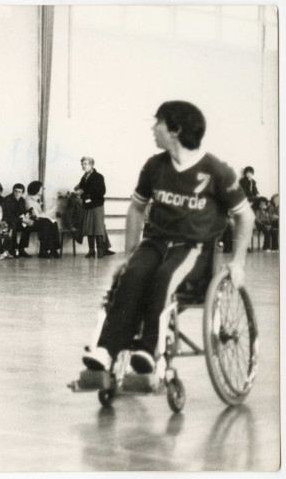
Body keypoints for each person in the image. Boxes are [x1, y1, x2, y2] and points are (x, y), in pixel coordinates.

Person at [82, 101, 254, 374]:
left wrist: (239, 262)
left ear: (175, 130)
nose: (153, 129)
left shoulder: (216, 171)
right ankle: (106, 349)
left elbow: (246, 216)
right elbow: (137, 208)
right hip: (156, 243)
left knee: (165, 278)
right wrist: (129, 255)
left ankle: (149, 352)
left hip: (194, 248)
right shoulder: (154, 166)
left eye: (157, 123)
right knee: (131, 275)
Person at [74, 157, 113, 258]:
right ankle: (91, 251)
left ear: (91, 165)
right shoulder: (83, 177)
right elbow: (82, 189)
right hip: (87, 206)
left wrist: (85, 192)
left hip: (97, 205)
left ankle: (100, 251)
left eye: (85, 164)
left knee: (98, 228)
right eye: (82, 164)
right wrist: (80, 192)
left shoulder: (98, 176)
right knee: (89, 229)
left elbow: (102, 191)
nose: (83, 166)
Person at [18, 181, 61, 258]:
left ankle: (53, 249)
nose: (42, 189)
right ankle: (43, 250)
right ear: (36, 189)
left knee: (54, 223)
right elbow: (34, 214)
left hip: (37, 220)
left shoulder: (37, 199)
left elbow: (40, 214)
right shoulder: (28, 199)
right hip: (29, 221)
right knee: (46, 223)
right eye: (41, 188)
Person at [1, 183, 27, 257]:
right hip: (7, 221)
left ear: (22, 193)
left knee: (28, 227)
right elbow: (8, 215)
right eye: (15, 191)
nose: (17, 193)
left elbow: (23, 212)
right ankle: (12, 249)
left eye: (19, 192)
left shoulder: (22, 200)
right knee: (13, 226)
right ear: (13, 191)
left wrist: (26, 217)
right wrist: (22, 219)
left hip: (18, 221)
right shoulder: (7, 199)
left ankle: (22, 248)